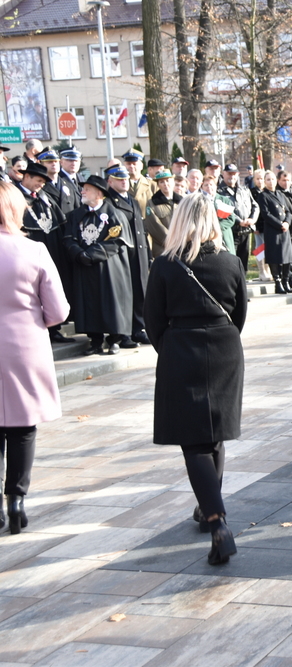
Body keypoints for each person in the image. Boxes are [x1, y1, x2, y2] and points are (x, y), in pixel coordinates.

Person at [144, 194, 247, 565]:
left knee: (194, 441)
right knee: (213, 434)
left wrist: (172, 348)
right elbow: (240, 314)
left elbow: (152, 320)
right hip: (225, 349)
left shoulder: (165, 265)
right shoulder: (231, 261)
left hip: (180, 349)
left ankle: (217, 519)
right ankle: (208, 509)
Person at [0, 181, 71, 535]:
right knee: (23, 427)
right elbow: (58, 311)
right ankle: (16, 498)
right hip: (24, 346)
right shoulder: (35, 250)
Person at [63, 175, 134, 356]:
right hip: (84, 268)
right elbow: (68, 238)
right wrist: (78, 254)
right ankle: (94, 341)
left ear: (99, 193)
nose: (82, 191)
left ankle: (114, 340)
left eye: (87, 189)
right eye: (83, 188)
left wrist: (92, 254)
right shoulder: (76, 216)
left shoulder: (115, 214)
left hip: (108, 269)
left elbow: (117, 242)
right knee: (89, 304)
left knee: (111, 302)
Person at [18, 161, 72, 344]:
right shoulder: (15, 197)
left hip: (51, 251)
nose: (41, 185)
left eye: (43, 182)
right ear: (26, 177)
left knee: (49, 289)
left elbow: (60, 223)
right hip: (26, 252)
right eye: (38, 181)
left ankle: (54, 329)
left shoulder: (45, 197)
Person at [106, 166, 152, 347]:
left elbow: (141, 230)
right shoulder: (109, 201)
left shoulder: (131, 200)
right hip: (123, 255)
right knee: (124, 295)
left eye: (125, 178)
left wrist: (147, 254)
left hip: (138, 254)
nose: (124, 181)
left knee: (139, 292)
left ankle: (137, 329)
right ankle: (123, 333)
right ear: (110, 182)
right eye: (119, 179)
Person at [255, 171, 292, 294]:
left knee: (287, 257)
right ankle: (278, 283)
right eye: (268, 179)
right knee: (275, 257)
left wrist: (287, 223)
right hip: (273, 230)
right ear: (264, 182)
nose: (271, 182)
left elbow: (288, 211)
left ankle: (285, 281)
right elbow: (266, 214)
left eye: (273, 179)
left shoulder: (280, 194)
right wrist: (280, 224)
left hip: (285, 230)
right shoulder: (263, 196)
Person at [219, 164, 258, 272]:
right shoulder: (219, 191)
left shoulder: (244, 189)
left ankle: (242, 285)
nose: (232, 176)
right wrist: (239, 221)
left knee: (243, 263)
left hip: (246, 231)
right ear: (223, 174)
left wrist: (252, 219)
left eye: (234, 174)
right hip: (231, 232)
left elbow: (255, 205)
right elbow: (224, 209)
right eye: (229, 173)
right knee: (231, 263)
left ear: (238, 174)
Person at [145, 172, 181, 258]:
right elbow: (154, 226)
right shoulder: (152, 203)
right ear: (158, 185)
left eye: (168, 181)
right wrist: (171, 240)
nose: (165, 184)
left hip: (182, 247)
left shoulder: (182, 201)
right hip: (162, 249)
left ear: (173, 182)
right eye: (161, 182)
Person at [123, 150, 154, 216]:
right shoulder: (120, 185)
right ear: (124, 166)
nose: (131, 166)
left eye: (134, 164)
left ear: (141, 166)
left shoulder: (153, 185)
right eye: (128, 164)